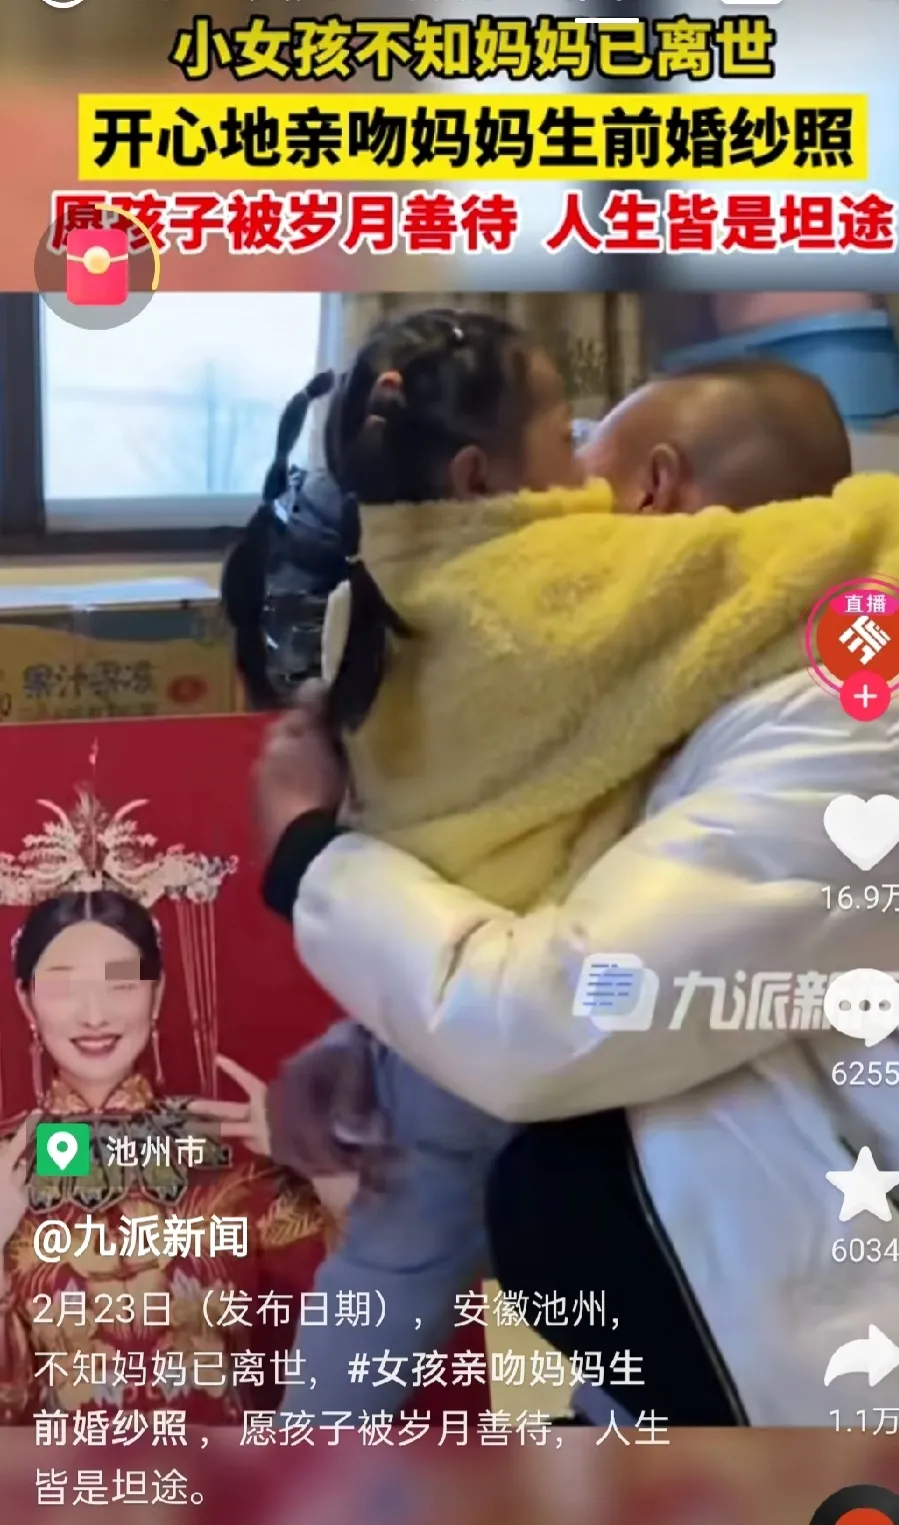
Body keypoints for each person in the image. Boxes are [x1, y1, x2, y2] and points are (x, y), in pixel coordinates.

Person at [254, 313, 899, 1426]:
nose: (546, 501)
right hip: (669, 1371)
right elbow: (554, 877)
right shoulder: (661, 691)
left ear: (653, 492)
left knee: (400, 1252)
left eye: (577, 456)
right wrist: (371, 1038)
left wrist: (310, 859)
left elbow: (567, 1008)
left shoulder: (847, 719)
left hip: (803, 1396)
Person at [0, 889, 329, 1425]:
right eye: (63, 987)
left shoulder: (230, 1147)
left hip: (212, 1472)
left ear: (156, 995)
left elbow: (372, 1308)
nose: (94, 1014)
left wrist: (321, 1166)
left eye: (121, 984)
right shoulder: (8, 1166)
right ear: (26, 1001)